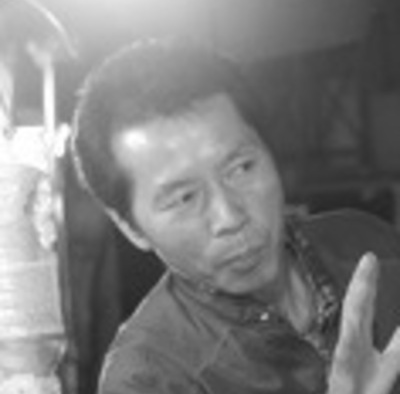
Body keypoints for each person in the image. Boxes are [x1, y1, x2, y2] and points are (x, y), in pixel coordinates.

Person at [70, 38, 400, 394]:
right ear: (130, 227)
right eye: (184, 198)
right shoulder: (148, 380)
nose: (229, 217)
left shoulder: (367, 241)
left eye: (241, 168)